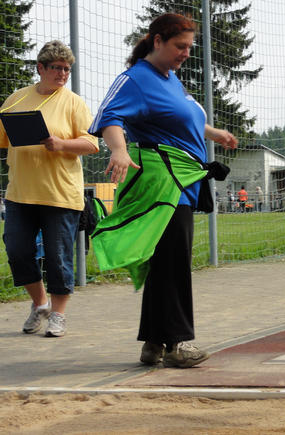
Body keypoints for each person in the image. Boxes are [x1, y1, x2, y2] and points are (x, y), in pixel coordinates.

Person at [88, 13, 237, 368]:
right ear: (156, 41)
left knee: (167, 261)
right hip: (160, 184)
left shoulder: (170, 79)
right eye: (179, 46)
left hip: (182, 182)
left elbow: (183, 117)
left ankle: (154, 342)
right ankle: (178, 343)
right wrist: (119, 149)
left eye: (189, 47)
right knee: (173, 262)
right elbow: (108, 115)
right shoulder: (136, 78)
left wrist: (212, 133)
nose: (186, 53)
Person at [0, 41, 99, 337]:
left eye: (67, 68)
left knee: (57, 257)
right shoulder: (16, 100)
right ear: (40, 68)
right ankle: (40, 304)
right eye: (57, 67)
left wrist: (62, 144)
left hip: (60, 195)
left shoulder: (74, 103)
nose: (63, 73)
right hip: (20, 193)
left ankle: (58, 315)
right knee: (17, 251)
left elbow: (93, 143)